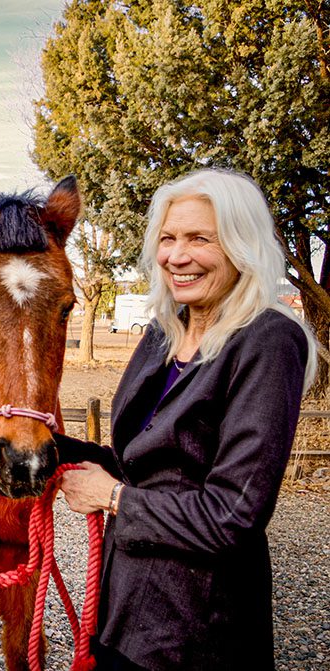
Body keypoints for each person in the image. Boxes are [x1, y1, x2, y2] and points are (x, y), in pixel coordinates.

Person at [46, 169, 315, 670]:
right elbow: (144, 466)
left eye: (200, 238)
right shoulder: (163, 334)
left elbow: (231, 515)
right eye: (167, 239)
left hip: (196, 629)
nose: (177, 256)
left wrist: (111, 497)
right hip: (124, 607)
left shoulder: (267, 341)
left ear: (241, 246)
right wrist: (49, 448)